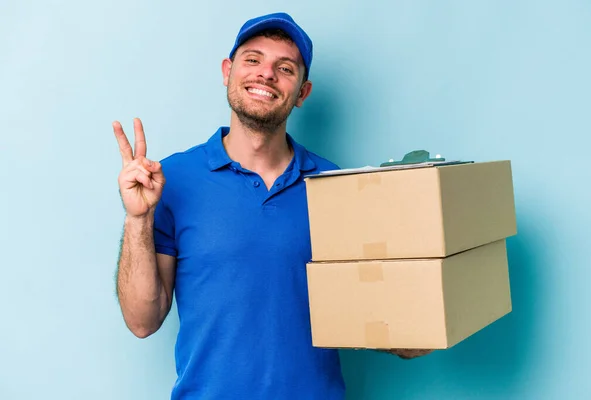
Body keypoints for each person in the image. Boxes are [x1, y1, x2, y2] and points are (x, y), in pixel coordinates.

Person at [113, 11, 431, 400]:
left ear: (302, 93)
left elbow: (370, 309)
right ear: (228, 70)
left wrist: (419, 326)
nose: (266, 74)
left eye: (284, 68)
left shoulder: (338, 188)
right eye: (253, 60)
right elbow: (142, 321)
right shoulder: (171, 180)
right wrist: (138, 218)